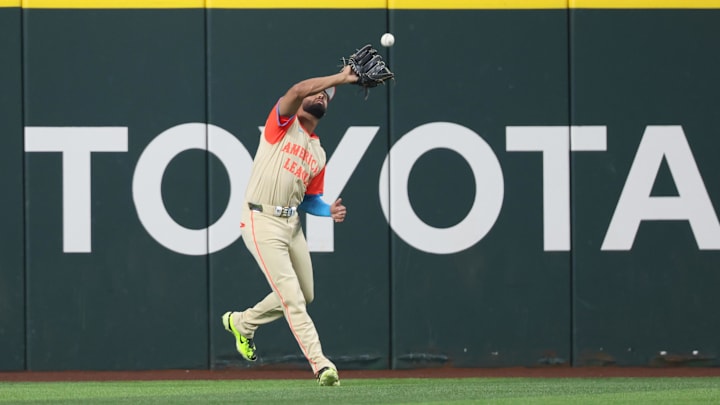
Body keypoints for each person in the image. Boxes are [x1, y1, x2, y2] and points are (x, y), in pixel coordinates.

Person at [222, 65, 359, 387]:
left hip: (291, 224)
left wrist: (327, 211)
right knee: (293, 300)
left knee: (304, 294)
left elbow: (310, 200)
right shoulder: (281, 124)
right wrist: (339, 79)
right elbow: (297, 89)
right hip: (261, 218)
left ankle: (242, 322)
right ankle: (322, 365)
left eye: (326, 97)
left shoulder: (318, 152)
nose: (320, 98)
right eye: (316, 92)